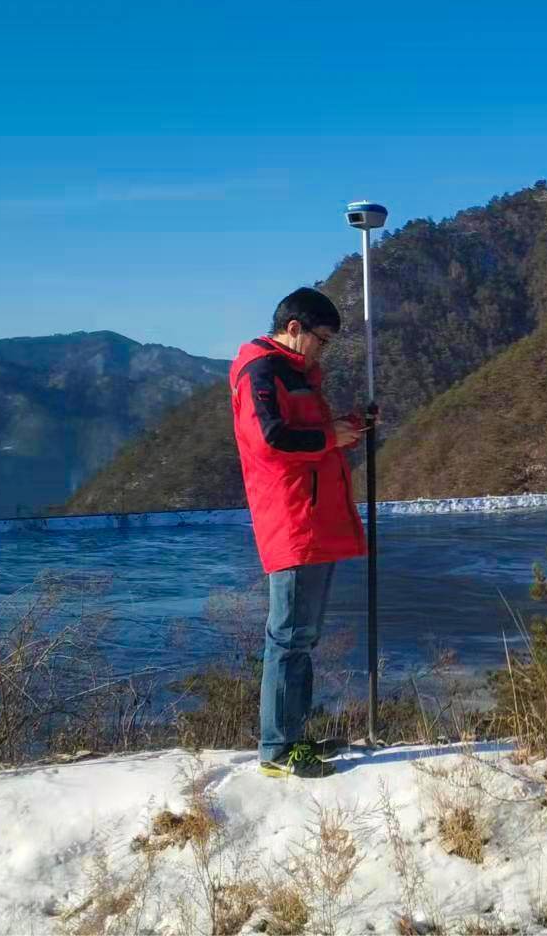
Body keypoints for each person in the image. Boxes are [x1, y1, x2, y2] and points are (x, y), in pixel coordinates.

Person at [230, 287, 366, 778]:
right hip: (293, 520)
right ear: (294, 329)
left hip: (313, 517)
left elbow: (304, 430)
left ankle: (295, 737)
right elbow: (272, 439)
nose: (323, 348)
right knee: (288, 637)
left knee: (302, 637)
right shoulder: (261, 372)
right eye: (322, 339)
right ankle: (278, 750)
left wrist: (343, 426)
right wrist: (332, 435)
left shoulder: (293, 373)